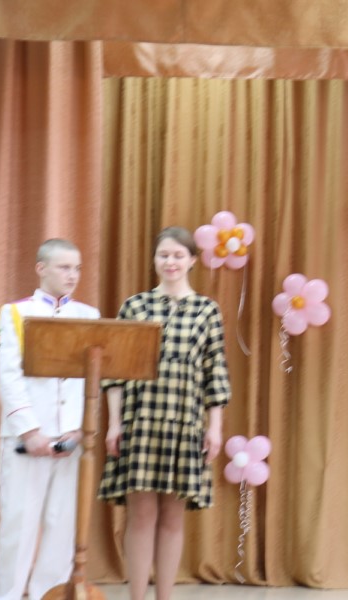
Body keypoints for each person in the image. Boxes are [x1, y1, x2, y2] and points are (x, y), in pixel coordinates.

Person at [98, 226, 230, 600]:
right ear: (155, 260)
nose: (170, 262)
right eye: (164, 255)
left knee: (173, 517)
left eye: (178, 255)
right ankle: (137, 596)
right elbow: (115, 371)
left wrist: (214, 427)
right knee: (140, 515)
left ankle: (165, 597)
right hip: (140, 422)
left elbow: (215, 371)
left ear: (192, 260)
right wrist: (114, 423)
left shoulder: (207, 310)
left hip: (185, 423)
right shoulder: (135, 307)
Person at [0, 239, 100, 600]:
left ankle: (48, 594)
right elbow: (8, 376)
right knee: (18, 525)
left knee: (62, 527)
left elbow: (92, 379)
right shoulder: (15, 312)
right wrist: (30, 431)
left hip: (71, 438)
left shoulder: (89, 316)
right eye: (64, 267)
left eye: (77, 268)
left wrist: (78, 429)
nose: (73, 275)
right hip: (27, 439)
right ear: (41, 268)